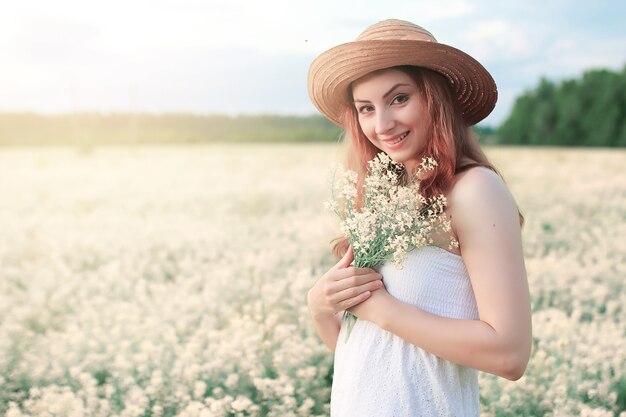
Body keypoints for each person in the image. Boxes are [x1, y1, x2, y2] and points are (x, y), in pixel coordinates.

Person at [306, 19, 532, 416]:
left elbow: (510, 354)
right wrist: (321, 308)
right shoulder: (386, 200)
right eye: (366, 108)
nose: (382, 124)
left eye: (398, 99)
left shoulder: (474, 189)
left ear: (435, 97)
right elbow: (371, 357)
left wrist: (381, 309)